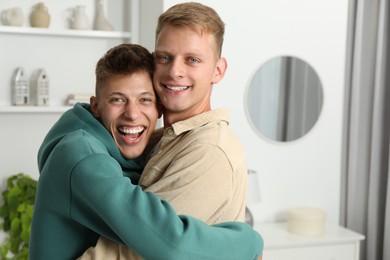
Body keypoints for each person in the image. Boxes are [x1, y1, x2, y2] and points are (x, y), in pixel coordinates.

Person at [29, 43, 263, 260]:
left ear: (159, 107)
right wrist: (249, 241)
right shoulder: (83, 158)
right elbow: (171, 243)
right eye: (117, 100)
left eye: (144, 100)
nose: (132, 113)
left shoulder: (133, 149)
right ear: (96, 106)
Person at [80, 2, 263, 260]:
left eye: (192, 60)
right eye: (164, 58)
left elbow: (134, 253)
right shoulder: (157, 138)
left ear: (218, 70)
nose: (175, 71)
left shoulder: (210, 149)